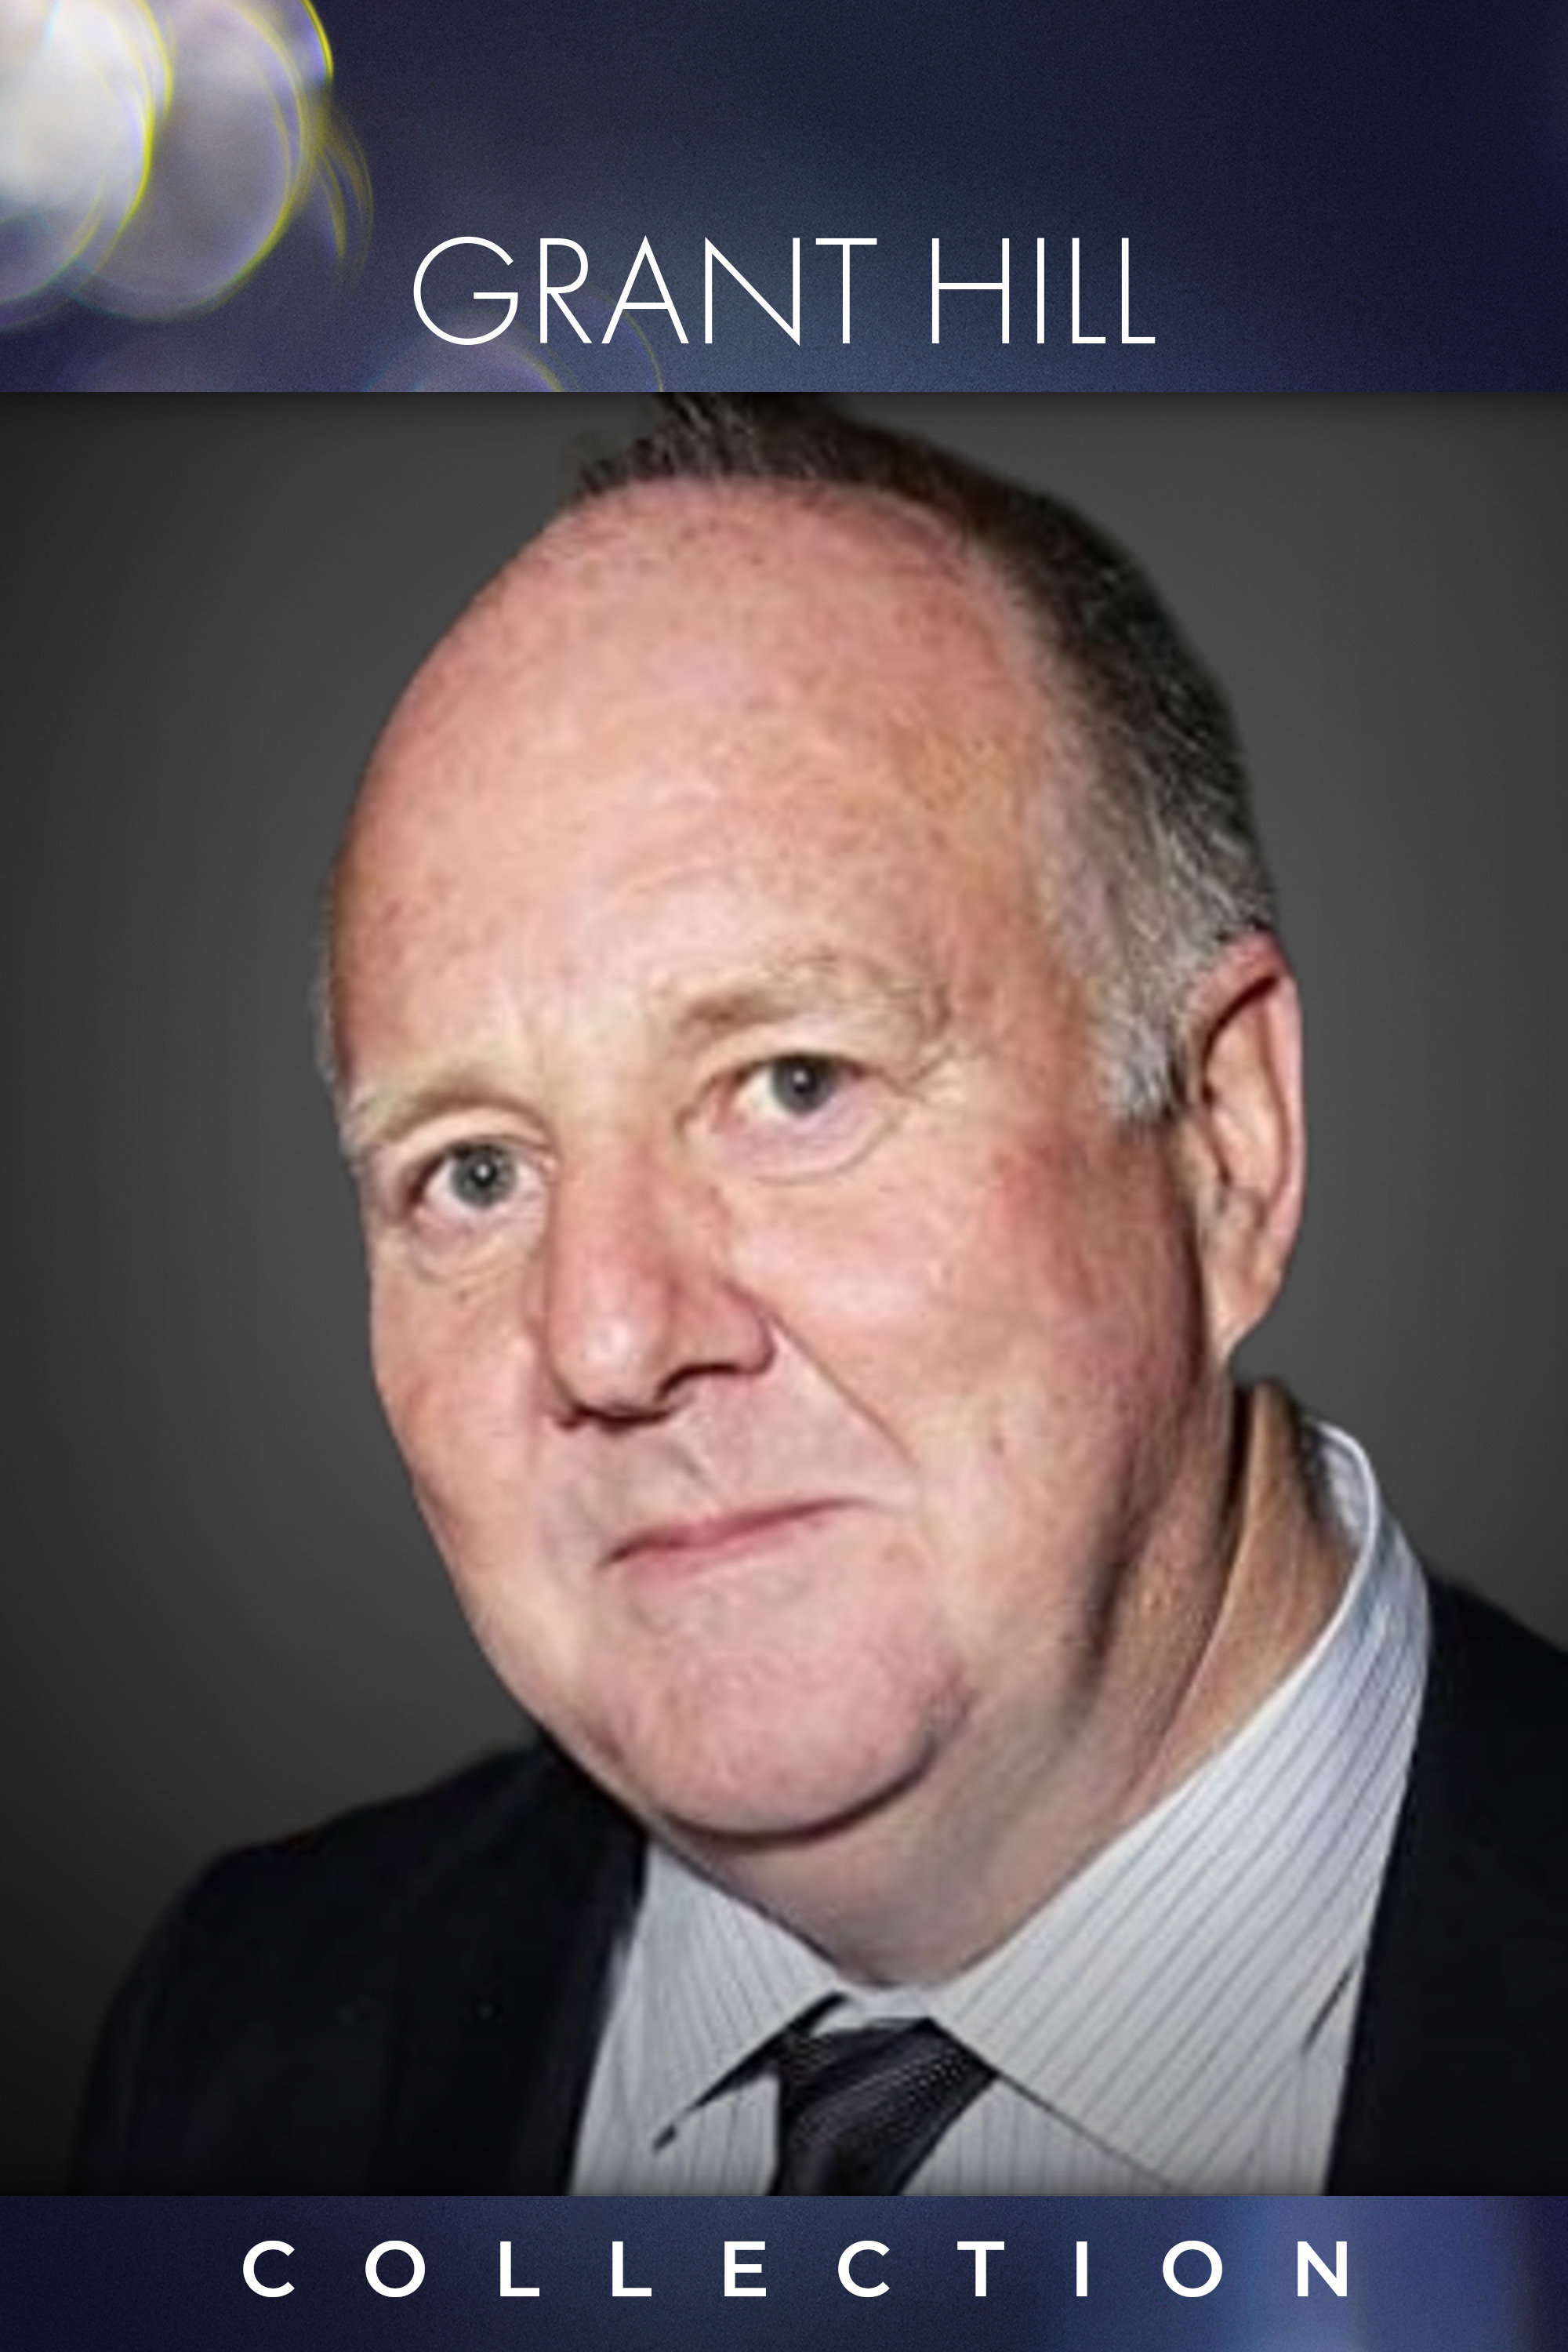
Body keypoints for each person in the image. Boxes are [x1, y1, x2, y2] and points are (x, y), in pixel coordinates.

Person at [74, 397, 1567, 2195]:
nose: (610, 1337)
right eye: (474, 1173)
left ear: (1224, 1138)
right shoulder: (232, 2054)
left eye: (793, 1085)